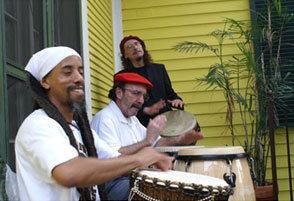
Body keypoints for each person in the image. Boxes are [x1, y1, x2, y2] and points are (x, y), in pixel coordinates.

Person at [15, 46, 173, 201]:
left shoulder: (79, 129)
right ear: (45, 81)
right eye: (68, 72)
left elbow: (113, 159)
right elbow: (69, 173)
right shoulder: (39, 125)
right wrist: (139, 158)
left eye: (81, 72)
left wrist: (153, 159)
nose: (79, 78)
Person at [91, 72, 204, 200]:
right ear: (119, 93)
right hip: (111, 184)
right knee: (159, 190)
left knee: (175, 183)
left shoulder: (132, 119)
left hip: (133, 177)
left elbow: (156, 142)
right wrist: (146, 142)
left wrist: (179, 140)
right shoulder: (105, 118)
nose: (141, 100)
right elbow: (112, 160)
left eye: (143, 96)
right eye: (136, 93)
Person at [117, 35, 193, 128]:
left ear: (142, 48)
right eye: (129, 47)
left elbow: (170, 94)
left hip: (166, 121)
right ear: (125, 55)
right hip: (140, 125)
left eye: (137, 44)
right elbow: (122, 106)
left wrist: (177, 100)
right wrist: (146, 110)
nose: (135, 47)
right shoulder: (122, 77)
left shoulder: (159, 69)